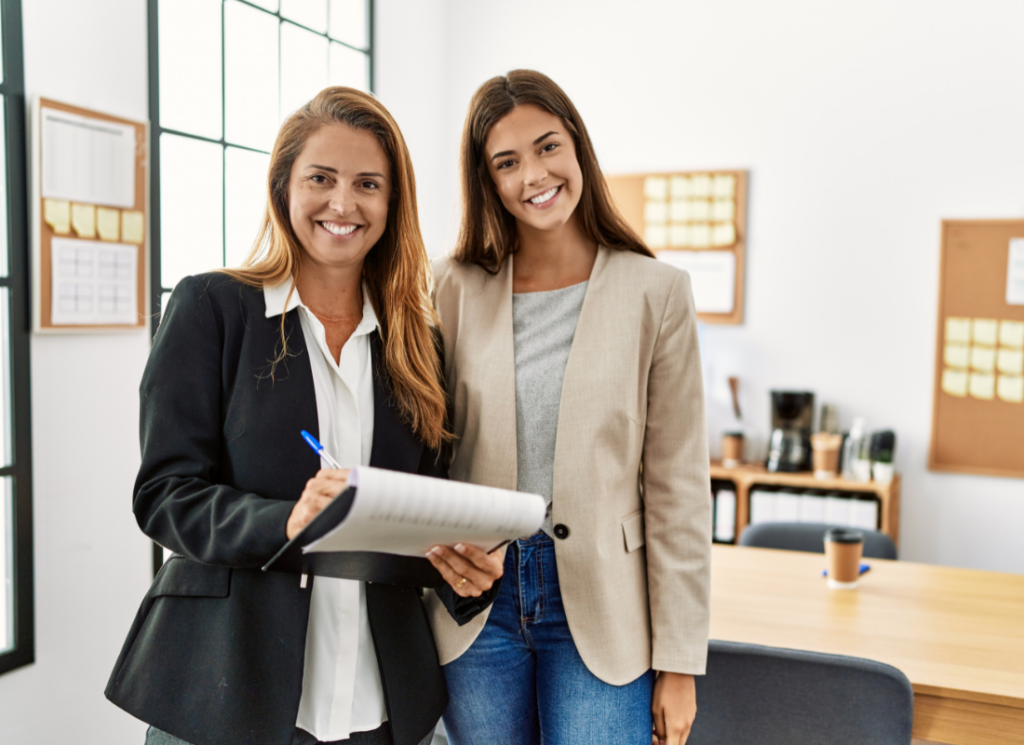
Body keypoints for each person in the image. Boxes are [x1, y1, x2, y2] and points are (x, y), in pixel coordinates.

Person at [105, 87, 503, 745]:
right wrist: (284, 520)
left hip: (381, 701)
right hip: (229, 692)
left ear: (392, 203)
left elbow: (416, 521)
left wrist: (462, 573)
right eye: (321, 178)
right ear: (285, 185)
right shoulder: (213, 307)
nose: (343, 203)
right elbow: (163, 495)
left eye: (368, 184)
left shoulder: (417, 344)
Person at [427, 70, 712, 745]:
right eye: (507, 162)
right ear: (488, 181)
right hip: (478, 606)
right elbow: (424, 450)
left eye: (548, 146)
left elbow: (678, 489)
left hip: (604, 604)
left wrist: (679, 663)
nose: (534, 174)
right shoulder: (452, 287)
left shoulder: (657, 292)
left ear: (578, 146)